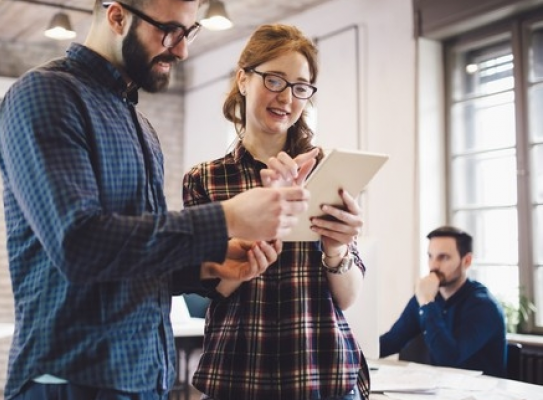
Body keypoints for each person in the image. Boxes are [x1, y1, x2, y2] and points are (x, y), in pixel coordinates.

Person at [0, 1, 312, 399]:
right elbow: (78, 244)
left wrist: (208, 264)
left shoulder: (139, 125)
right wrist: (226, 217)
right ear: (117, 16)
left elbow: (132, 256)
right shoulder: (45, 95)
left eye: (188, 33)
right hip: (70, 379)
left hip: (143, 378)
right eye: (169, 30)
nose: (181, 50)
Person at [183, 24, 370, 400]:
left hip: (325, 375)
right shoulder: (206, 179)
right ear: (243, 79)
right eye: (274, 80)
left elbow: (347, 298)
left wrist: (337, 248)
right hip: (240, 376)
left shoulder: (326, 169)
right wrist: (255, 232)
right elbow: (200, 297)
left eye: (300, 87)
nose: (286, 97)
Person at [379, 226, 507, 377]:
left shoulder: (484, 306)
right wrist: (349, 351)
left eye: (443, 257)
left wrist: (427, 302)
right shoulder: (425, 296)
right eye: (430, 256)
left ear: (466, 261)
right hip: (442, 390)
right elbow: (392, 341)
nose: (434, 266)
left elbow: (448, 360)